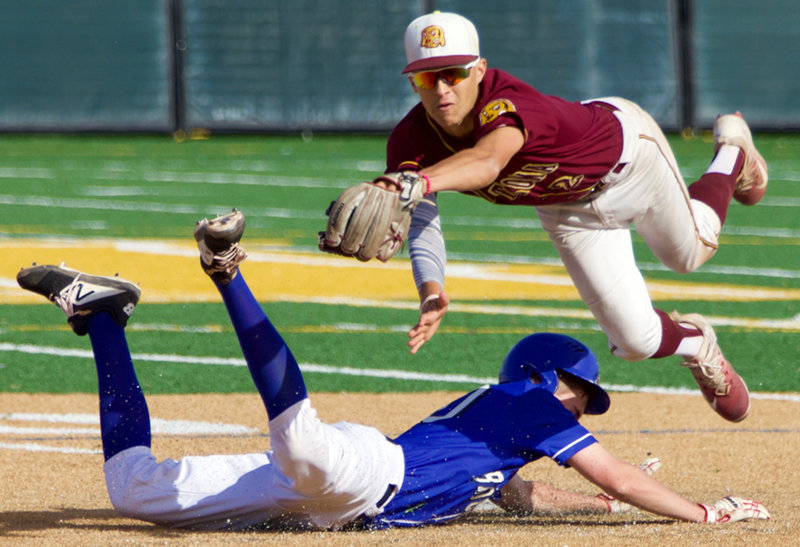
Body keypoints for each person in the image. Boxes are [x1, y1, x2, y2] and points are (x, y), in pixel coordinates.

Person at [16, 210, 768, 530]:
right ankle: (227, 272)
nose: (583, 405)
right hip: (360, 473)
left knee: (134, 489)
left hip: (332, 488)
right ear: (543, 374)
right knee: (303, 444)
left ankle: (103, 318)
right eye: (581, 389)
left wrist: (599, 511)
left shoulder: (505, 425)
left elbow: (517, 492)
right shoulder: (530, 402)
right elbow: (622, 478)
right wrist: (704, 511)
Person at [380, 11, 768, 423]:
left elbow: (489, 160)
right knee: (635, 342)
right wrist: (430, 288)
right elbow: (421, 221)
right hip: (566, 209)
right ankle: (697, 343)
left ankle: (733, 150)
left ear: (479, 70)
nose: (442, 89)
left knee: (689, 254)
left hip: (630, 160)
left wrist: (413, 182)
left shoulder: (506, 101)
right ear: (411, 82)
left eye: (453, 73)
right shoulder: (410, 142)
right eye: (426, 78)